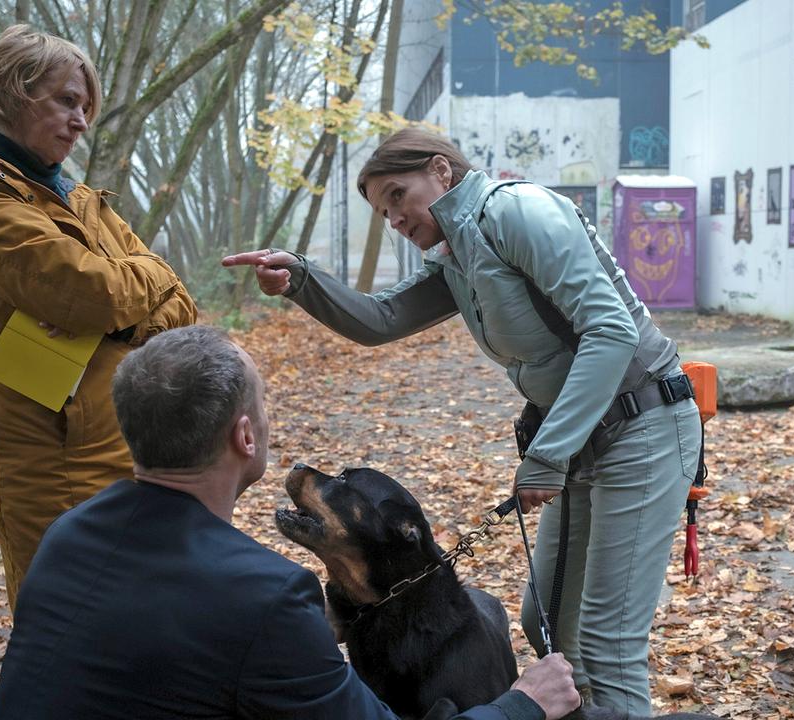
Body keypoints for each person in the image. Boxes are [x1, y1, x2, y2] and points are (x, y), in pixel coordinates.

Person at [223, 128, 702, 714]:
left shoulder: (518, 213)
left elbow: (611, 330)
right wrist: (301, 278)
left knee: (604, 643)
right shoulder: (460, 253)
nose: (393, 217)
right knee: (544, 620)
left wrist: (547, 454)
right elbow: (382, 318)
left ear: (441, 170)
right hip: (582, 437)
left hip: (644, 425)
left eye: (398, 195)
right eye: (382, 210)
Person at [0, 325, 581, 720]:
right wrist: (524, 703)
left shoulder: (67, 535)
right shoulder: (265, 596)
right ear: (245, 437)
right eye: (263, 406)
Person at [0, 25, 196, 610]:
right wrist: (125, 298)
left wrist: (121, 319)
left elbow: (181, 303)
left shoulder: (77, 198)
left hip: (127, 428)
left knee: (138, 608)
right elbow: (89, 293)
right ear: (9, 93)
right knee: (68, 615)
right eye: (66, 100)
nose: (81, 120)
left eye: (86, 106)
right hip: (48, 442)